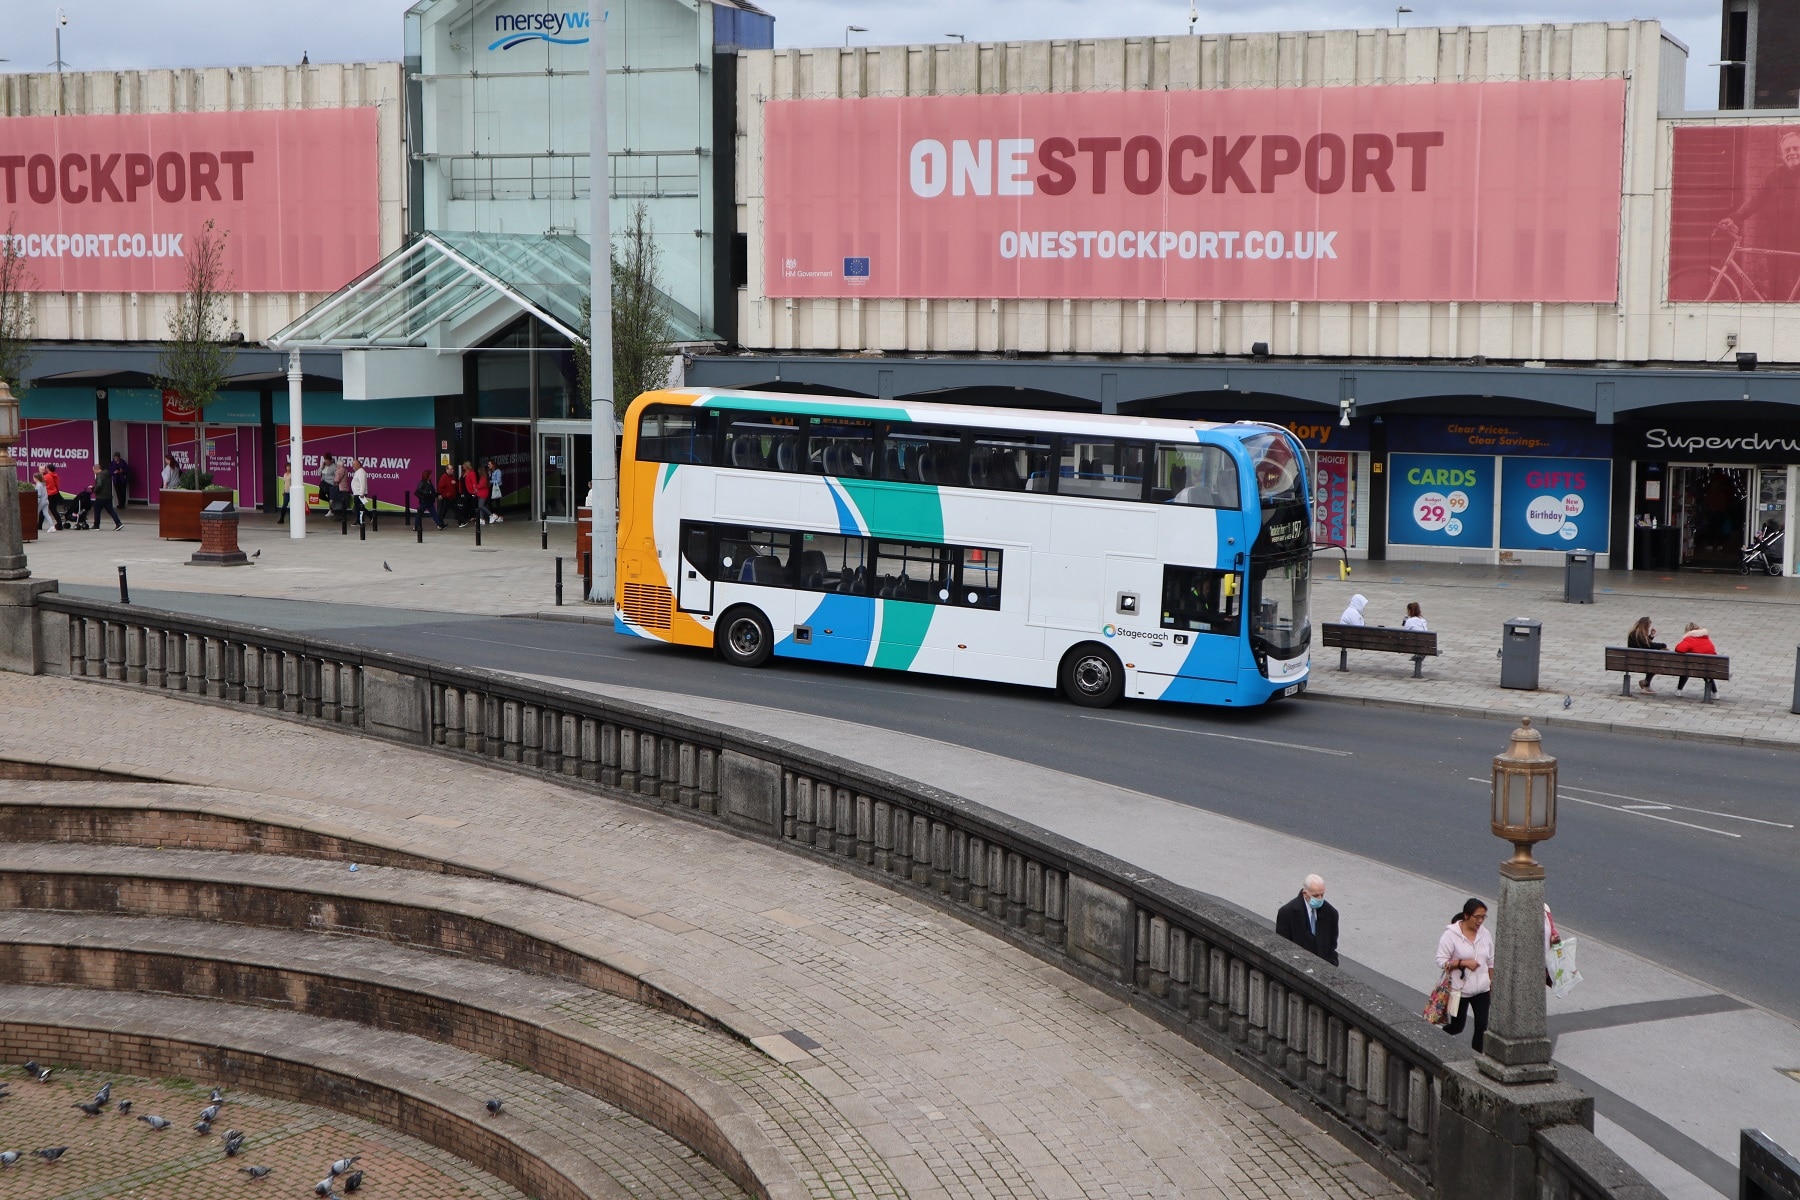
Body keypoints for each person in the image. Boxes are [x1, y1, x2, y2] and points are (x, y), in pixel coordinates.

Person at [1717, 130, 1800, 302]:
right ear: (1782, 155)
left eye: (1795, 148)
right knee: (1777, 290)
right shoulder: (1775, 176)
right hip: (1777, 241)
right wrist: (1734, 217)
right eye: (1787, 150)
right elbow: (1756, 200)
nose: (1791, 153)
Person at [1436, 898, 1494, 1051]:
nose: (1481, 921)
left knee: (1482, 1026)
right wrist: (1463, 963)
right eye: (1478, 917)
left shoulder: (1485, 934)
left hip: (1482, 989)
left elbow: (1491, 961)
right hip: (1459, 990)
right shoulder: (1451, 936)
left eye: (1484, 917)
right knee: (1457, 1026)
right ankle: (1436, 1041)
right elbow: (1441, 961)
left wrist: (1492, 981)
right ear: (1467, 916)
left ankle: (1475, 1058)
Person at [1274, 874, 1339, 966]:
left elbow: (1332, 946)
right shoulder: (1286, 913)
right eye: (1316, 896)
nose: (1320, 899)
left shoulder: (1331, 913)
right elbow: (1282, 947)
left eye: (1322, 894)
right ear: (1305, 893)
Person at [1673, 622, 1720, 698]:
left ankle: (1679, 690)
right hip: (1711, 666)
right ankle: (1715, 693)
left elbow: (1679, 649)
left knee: (1686, 668)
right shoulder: (1706, 638)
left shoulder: (1689, 639)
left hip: (1696, 666)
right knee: (1705, 670)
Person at [1627, 616, 1665, 694]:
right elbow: (1648, 646)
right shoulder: (1638, 634)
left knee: (1654, 663)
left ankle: (1645, 683)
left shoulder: (1634, 633)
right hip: (1638, 661)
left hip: (1634, 659)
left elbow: (1644, 644)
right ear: (1646, 625)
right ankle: (1646, 685)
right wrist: (1663, 645)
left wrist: (1651, 636)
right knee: (1655, 664)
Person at [90, 464, 122, 530]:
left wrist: (95, 490)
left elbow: (99, 484)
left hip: (101, 497)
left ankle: (96, 525)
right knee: (111, 511)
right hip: (108, 496)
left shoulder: (99, 476)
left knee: (97, 510)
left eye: (94, 470)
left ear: (97, 469)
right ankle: (118, 523)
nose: (93, 472)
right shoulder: (107, 475)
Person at [41, 463, 64, 528]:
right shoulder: (55, 475)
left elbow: (42, 484)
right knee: (53, 509)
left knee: (43, 509)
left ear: (48, 469)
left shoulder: (47, 476)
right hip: (55, 493)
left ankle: (40, 524)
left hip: (49, 494)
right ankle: (59, 524)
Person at [349, 458, 370, 525]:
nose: (353, 466)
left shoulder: (361, 472)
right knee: (358, 508)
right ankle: (360, 520)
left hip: (359, 494)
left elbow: (362, 483)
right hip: (356, 493)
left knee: (359, 508)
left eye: (354, 464)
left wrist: (362, 493)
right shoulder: (357, 472)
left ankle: (361, 520)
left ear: (358, 465)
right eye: (352, 464)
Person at [33, 469, 53, 535]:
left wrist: (36, 503)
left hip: (41, 501)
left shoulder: (38, 486)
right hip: (46, 501)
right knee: (46, 513)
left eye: (33, 477)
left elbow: (38, 495)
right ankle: (52, 526)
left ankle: (33, 527)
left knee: (35, 514)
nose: (33, 479)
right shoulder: (43, 484)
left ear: (36, 478)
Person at [485, 459, 504, 524]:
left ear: (493, 464)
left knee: (497, 502)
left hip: (497, 487)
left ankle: (500, 516)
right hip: (492, 487)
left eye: (489, 464)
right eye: (488, 464)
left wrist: (490, 482)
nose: (488, 465)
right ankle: (495, 514)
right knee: (488, 501)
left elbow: (498, 480)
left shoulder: (498, 471)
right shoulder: (490, 472)